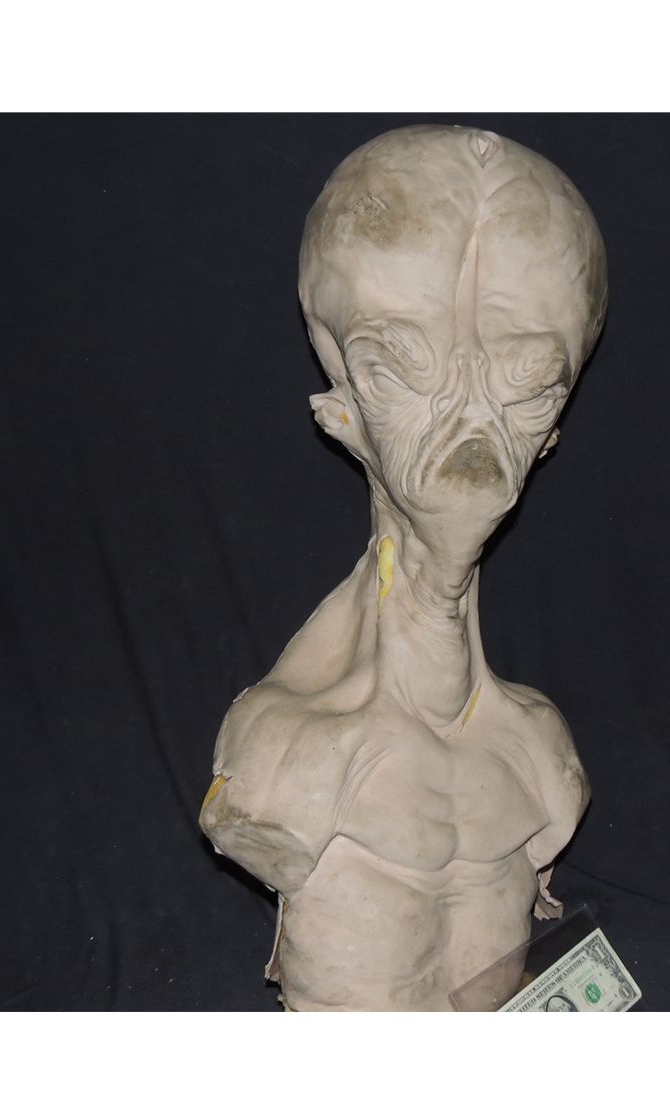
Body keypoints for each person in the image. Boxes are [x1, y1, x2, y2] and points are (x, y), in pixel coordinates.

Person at [200, 124, 607, 1011]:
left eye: (528, 383)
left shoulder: (543, 757)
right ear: (342, 405)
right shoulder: (283, 758)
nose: (471, 435)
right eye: (399, 371)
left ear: (552, 431)